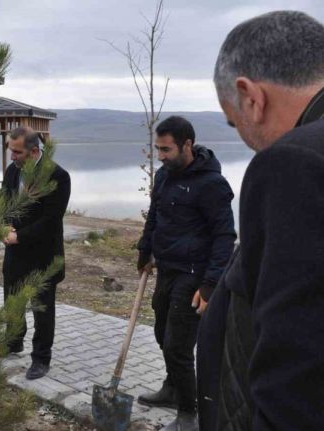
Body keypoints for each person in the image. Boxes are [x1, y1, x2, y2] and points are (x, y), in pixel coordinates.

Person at [198, 11, 324, 430]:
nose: (245, 139)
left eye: (235, 123)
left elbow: (298, 371)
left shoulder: (296, 162)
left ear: (251, 96)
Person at [135, 116, 236, 431]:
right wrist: (144, 250)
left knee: (178, 345)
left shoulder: (212, 185)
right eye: (158, 149)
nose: (161, 156)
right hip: (167, 268)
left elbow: (224, 236)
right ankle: (172, 387)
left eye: (166, 149)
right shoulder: (165, 176)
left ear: (187, 145)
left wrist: (210, 285)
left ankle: (189, 415)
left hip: (194, 273)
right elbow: (155, 214)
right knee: (162, 334)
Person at [1, 126, 71, 380]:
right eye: (11, 151)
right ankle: (13, 341)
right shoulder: (12, 172)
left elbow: (51, 220)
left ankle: (41, 358)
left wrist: (19, 236)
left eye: (17, 152)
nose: (12, 157)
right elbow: (5, 203)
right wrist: (3, 225)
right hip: (14, 253)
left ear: (33, 151)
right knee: (12, 301)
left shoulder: (57, 176)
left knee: (42, 310)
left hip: (43, 256)